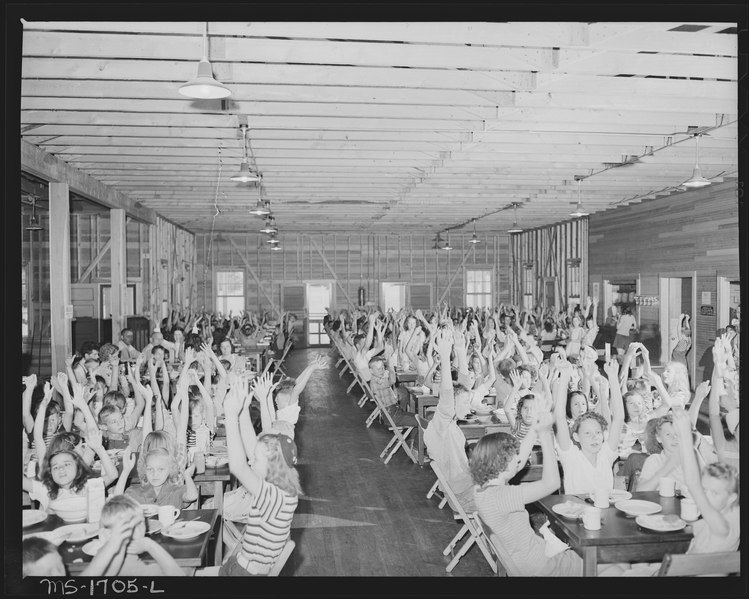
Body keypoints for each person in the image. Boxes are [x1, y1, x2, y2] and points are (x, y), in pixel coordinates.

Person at [470, 411, 592, 576]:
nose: (519, 460)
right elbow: (552, 483)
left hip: (526, 561)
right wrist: (546, 436)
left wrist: (534, 428)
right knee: (609, 565)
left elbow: (517, 462)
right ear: (503, 463)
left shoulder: (481, 489)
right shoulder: (504, 496)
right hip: (541, 567)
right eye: (513, 457)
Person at [220, 374, 301, 576]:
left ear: (272, 463)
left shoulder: (273, 495)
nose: (251, 461)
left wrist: (230, 414)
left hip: (243, 575)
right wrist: (244, 409)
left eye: (256, 460)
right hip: (242, 566)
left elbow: (239, 466)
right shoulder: (282, 487)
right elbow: (251, 447)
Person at [423, 326, 477, 512]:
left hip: (465, 486)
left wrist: (461, 353)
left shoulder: (447, 422)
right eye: (465, 404)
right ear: (452, 404)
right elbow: (447, 393)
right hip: (463, 495)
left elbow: (463, 388)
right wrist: (445, 358)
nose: (469, 408)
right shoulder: (444, 420)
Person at [552, 358, 624, 495]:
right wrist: (565, 376)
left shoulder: (606, 453)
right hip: (576, 512)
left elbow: (619, 418)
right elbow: (560, 417)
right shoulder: (571, 456)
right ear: (576, 437)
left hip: (603, 511)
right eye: (587, 433)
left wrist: (613, 378)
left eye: (598, 432)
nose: (594, 438)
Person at [23, 428, 118, 519]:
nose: (61, 469)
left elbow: (112, 475)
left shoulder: (86, 486)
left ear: (77, 466)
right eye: (55, 467)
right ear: (50, 472)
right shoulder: (45, 489)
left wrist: (99, 448)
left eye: (67, 464)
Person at [97, 495, 185, 576]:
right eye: (128, 526)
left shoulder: (102, 553)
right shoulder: (134, 568)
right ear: (109, 533)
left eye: (140, 523)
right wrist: (150, 545)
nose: (138, 531)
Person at [635, 415, 684, 492]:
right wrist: (668, 466)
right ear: (659, 438)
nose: (674, 438)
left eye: (677, 434)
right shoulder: (654, 460)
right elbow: (641, 491)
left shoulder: (692, 459)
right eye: (668, 434)